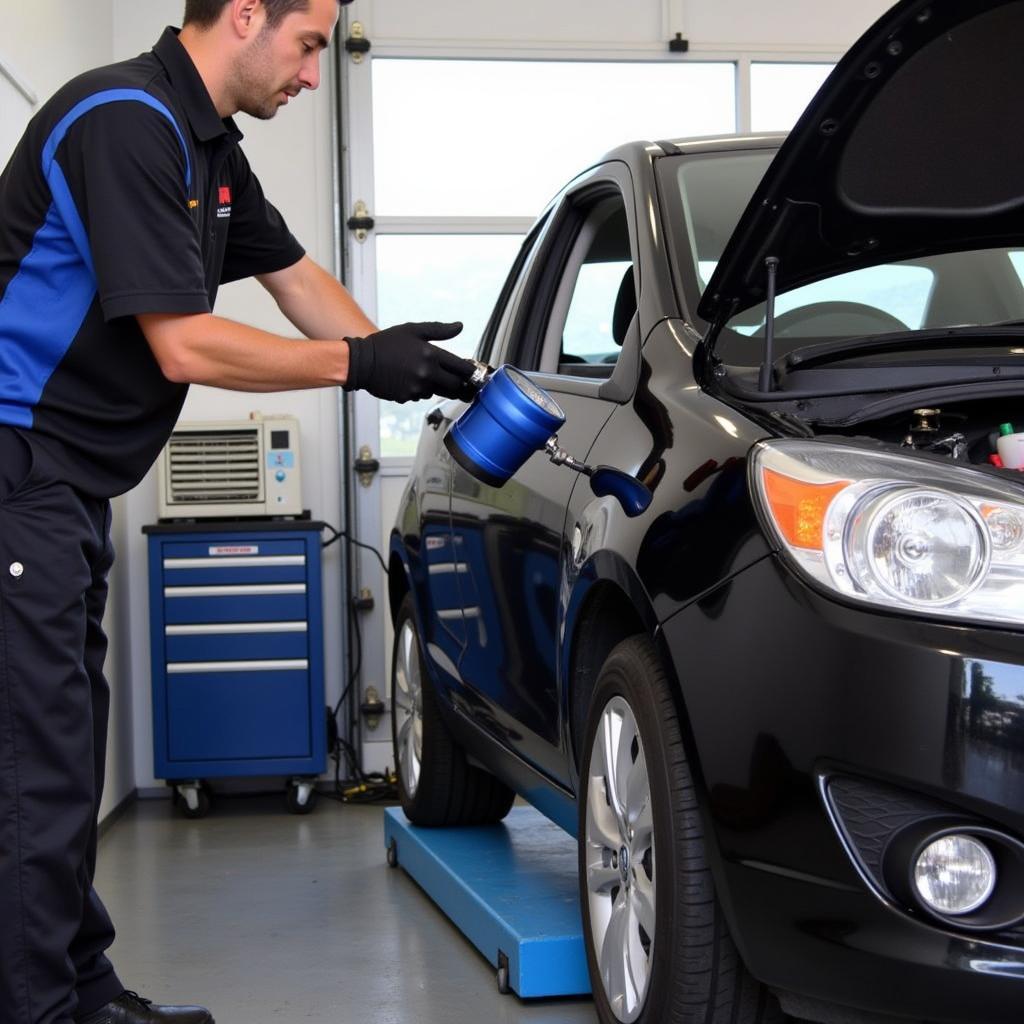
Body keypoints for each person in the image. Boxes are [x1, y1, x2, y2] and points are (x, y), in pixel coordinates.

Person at [0, 2, 475, 1022]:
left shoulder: (208, 146)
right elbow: (184, 346)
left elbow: (297, 279)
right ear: (246, 14)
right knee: (35, 770)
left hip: (64, 489)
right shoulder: (124, 119)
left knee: (67, 753)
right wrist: (358, 364)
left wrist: (431, 379)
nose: (311, 75)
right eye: (309, 44)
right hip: (15, 472)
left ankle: (82, 994)